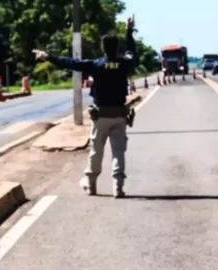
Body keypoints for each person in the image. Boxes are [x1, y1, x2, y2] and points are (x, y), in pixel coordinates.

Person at [33, 16, 139, 198]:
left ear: (103, 48)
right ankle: (118, 186)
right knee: (119, 152)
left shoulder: (96, 65)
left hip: (101, 115)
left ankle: (91, 184)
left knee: (96, 150)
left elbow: (71, 63)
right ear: (116, 48)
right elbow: (132, 52)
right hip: (119, 114)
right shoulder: (125, 64)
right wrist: (129, 31)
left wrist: (48, 56)